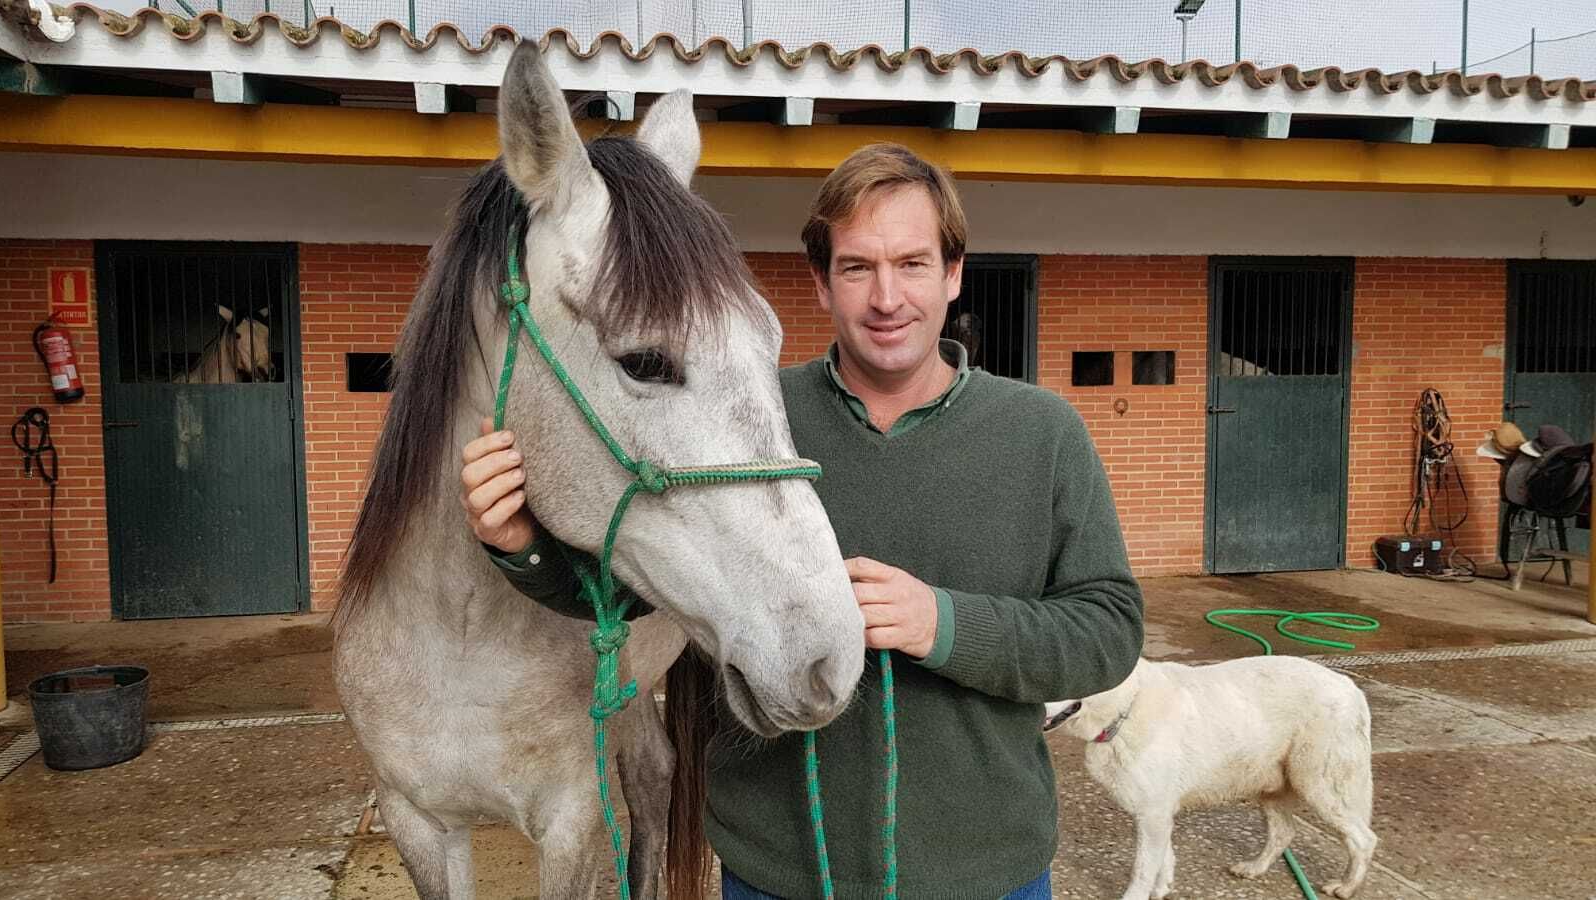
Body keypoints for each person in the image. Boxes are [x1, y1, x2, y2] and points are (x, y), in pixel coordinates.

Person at [460, 142, 1145, 899]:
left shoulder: (1042, 433)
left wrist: (941, 624)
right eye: (857, 267)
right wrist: (521, 547)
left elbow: (1106, 634)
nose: (888, 298)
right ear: (821, 283)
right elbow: (634, 596)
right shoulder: (743, 418)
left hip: (989, 872)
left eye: (913, 264)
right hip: (777, 871)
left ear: (954, 275)